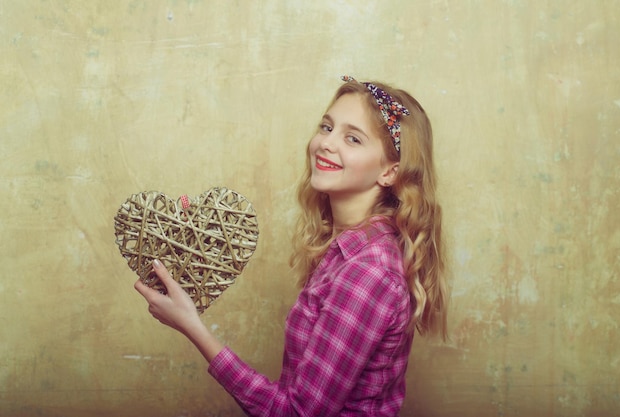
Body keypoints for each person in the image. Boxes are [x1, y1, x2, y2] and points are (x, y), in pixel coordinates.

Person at [134, 75, 449, 416]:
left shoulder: (367, 270)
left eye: (353, 138)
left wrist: (192, 327)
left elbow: (297, 412)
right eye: (326, 127)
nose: (326, 144)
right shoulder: (350, 249)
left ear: (390, 172)